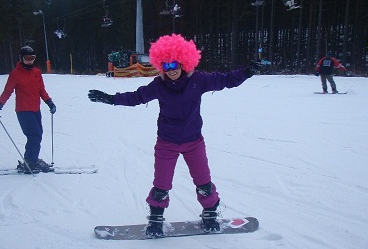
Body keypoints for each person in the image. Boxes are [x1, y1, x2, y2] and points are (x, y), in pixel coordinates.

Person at [88, 34, 255, 237]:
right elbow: (136, 97)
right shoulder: (159, 85)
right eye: (166, 66)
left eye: (175, 64)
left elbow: (225, 80)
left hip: (194, 142)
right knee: (161, 185)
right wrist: (111, 99)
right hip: (167, 143)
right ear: (160, 67)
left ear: (184, 62)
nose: (172, 70)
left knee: (203, 182)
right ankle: (156, 218)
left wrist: (246, 72)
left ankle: (210, 212)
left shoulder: (198, 80)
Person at [0, 46, 56, 173]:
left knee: (37, 135)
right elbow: (7, 92)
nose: (30, 61)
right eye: (27, 58)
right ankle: (31, 162)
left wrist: (49, 102)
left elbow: (41, 90)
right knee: (34, 135)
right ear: (21, 58)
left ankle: (31, 160)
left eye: (32, 58)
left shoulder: (36, 72)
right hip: (23, 110)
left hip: (36, 109)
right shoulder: (15, 74)